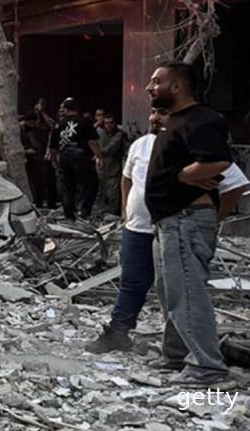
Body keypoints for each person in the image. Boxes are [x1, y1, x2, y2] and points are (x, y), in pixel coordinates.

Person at [85, 108, 249, 355]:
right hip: (138, 228)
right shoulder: (141, 144)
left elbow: (235, 185)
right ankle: (119, 332)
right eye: (152, 112)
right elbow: (127, 177)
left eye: (162, 113)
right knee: (132, 281)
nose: (153, 118)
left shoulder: (192, 146)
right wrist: (125, 209)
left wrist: (212, 220)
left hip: (174, 229)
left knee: (176, 291)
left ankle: (185, 350)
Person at [144, 62, 236, 387]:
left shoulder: (202, 119)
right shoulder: (174, 121)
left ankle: (207, 366)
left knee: (187, 292)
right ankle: (176, 356)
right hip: (169, 222)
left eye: (157, 81)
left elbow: (220, 160)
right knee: (170, 291)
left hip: (187, 221)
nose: (149, 87)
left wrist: (185, 175)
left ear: (179, 86)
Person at [49, 98, 102, 222]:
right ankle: (84, 212)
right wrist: (99, 156)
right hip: (82, 158)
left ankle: (69, 215)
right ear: (77, 109)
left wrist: (54, 161)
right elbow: (92, 142)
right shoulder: (85, 121)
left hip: (65, 158)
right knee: (90, 185)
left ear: (66, 110)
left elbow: (53, 148)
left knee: (68, 187)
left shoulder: (59, 125)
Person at [20, 111, 54, 209]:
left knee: (39, 181)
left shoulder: (31, 128)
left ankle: (38, 202)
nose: (34, 125)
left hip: (34, 157)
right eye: (32, 122)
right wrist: (26, 151)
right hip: (27, 158)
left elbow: (48, 127)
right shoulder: (20, 129)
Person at [99, 115, 129, 215]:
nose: (109, 125)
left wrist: (97, 154)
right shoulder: (105, 135)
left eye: (111, 122)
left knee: (114, 194)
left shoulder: (119, 135)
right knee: (106, 193)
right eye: (106, 123)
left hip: (115, 169)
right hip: (106, 169)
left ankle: (113, 215)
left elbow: (110, 149)